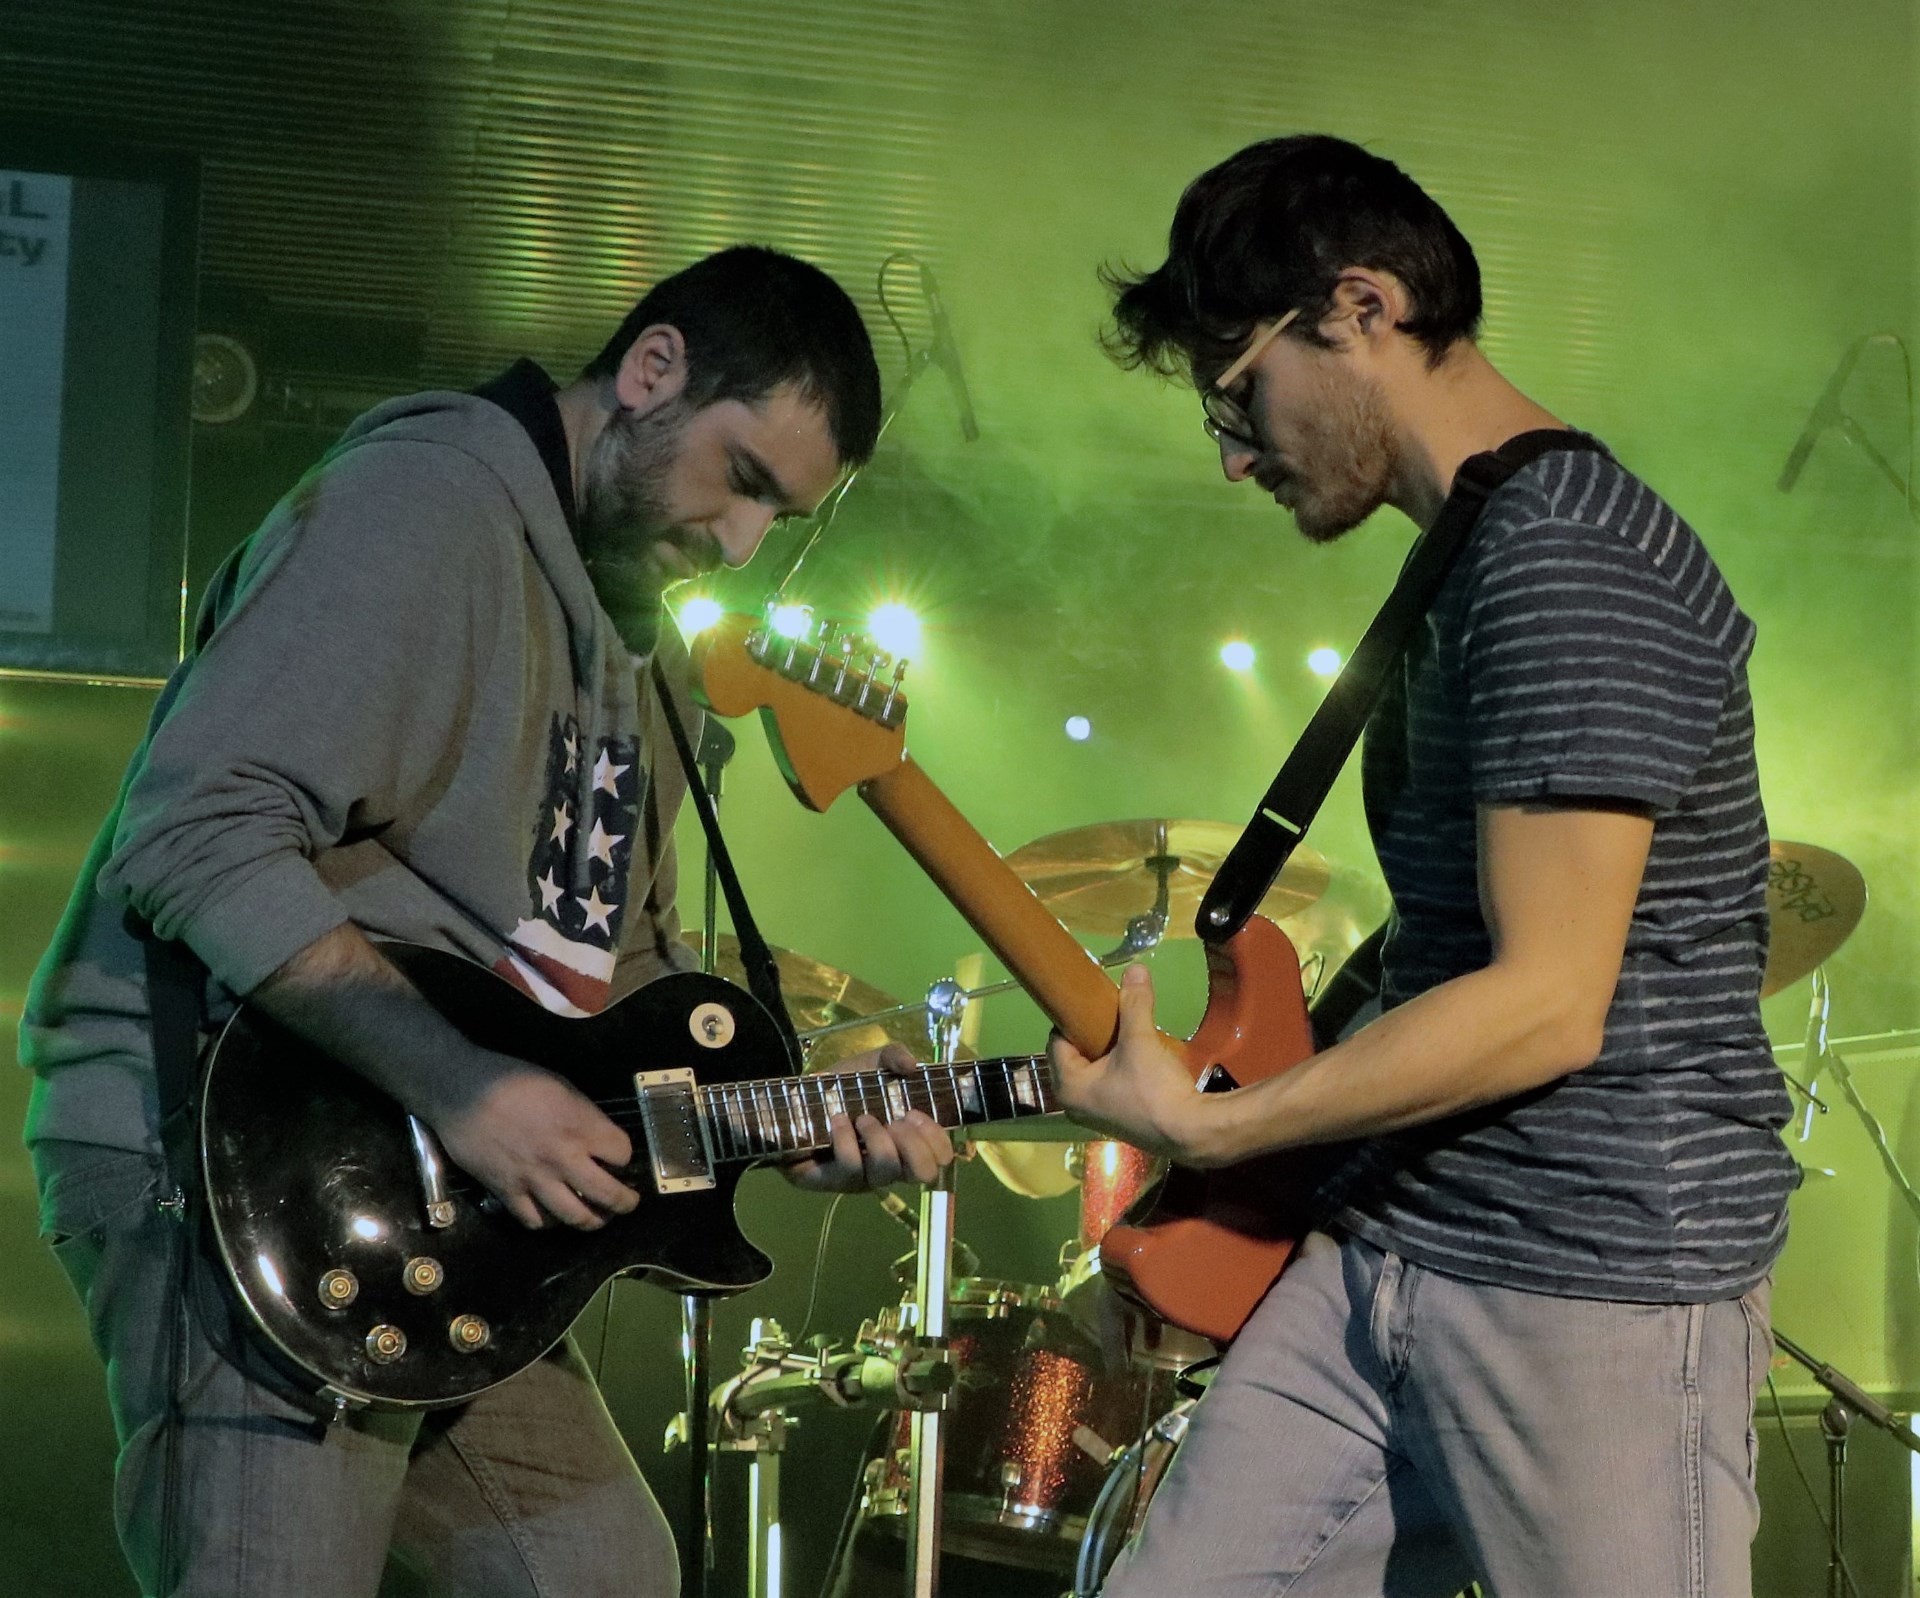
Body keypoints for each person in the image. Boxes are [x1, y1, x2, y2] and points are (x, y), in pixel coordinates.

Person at [21, 244, 954, 1598]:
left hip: (445, 1212)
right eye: (744, 477)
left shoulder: (644, 650)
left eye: (782, 516)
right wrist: (459, 1084)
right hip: (233, 1153)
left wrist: (792, 1111)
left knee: (606, 1578)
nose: (744, 541)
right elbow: (192, 828)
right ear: (653, 371)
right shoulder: (423, 504)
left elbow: (614, 978)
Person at [1052, 136, 1795, 1598]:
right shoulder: (1474, 550)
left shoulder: (1568, 556)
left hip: (1593, 1281)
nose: (1232, 454)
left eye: (1237, 392)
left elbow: (1545, 1005)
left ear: (1363, 307)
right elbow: (1446, 951)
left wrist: (1224, 1131)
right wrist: (1220, 1202)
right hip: (1389, 1246)